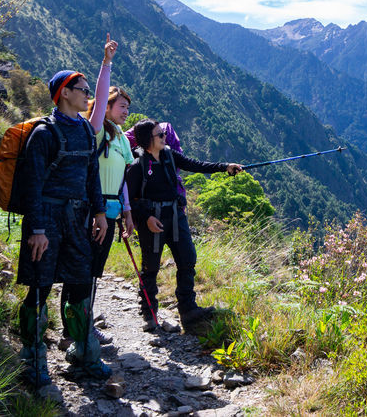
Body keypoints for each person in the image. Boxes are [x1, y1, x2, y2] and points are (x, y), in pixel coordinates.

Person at [15, 60, 110, 387]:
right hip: (47, 220)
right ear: (64, 93)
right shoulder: (44, 133)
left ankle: (84, 353)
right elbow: (33, 185)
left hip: (77, 219)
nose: (88, 96)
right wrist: (38, 231)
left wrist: (99, 213)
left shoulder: (85, 129)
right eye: (84, 91)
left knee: (81, 283)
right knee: (40, 287)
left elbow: (91, 175)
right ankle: (33, 358)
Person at [125, 119, 242, 333]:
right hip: (152, 221)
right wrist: (147, 218)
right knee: (150, 267)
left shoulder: (170, 155)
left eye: (163, 134)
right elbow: (129, 200)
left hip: (175, 215)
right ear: (146, 140)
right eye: (159, 135)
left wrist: (225, 167)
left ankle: (188, 310)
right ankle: (149, 314)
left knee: (187, 260)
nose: (164, 137)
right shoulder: (137, 167)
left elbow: (195, 164)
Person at [59, 39, 134, 348]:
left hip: (111, 210)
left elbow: (123, 179)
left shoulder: (122, 139)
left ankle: (83, 324)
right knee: (80, 270)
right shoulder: (98, 129)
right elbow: (99, 100)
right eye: (122, 106)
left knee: (92, 272)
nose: (126, 111)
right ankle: (73, 329)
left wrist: (127, 212)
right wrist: (107, 63)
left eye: (128, 107)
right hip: (91, 209)